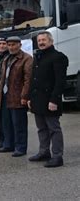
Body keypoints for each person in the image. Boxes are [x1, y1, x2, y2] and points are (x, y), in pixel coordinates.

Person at [28, 31, 68, 168]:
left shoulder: (58, 57)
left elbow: (60, 81)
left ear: (51, 41)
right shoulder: (38, 57)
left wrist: (54, 100)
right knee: (41, 128)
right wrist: (30, 97)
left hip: (50, 100)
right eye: (39, 40)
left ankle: (57, 156)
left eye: (44, 40)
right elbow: (33, 79)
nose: (41, 42)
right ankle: (44, 152)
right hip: (37, 99)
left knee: (54, 129)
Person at [0, 36, 32, 157]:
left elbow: (28, 80)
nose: (11, 47)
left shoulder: (26, 59)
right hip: (6, 95)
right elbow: (3, 78)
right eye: (9, 45)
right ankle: (8, 144)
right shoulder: (7, 58)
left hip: (18, 96)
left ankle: (20, 147)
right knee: (6, 123)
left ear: (20, 45)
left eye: (13, 44)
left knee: (19, 124)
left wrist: (24, 96)